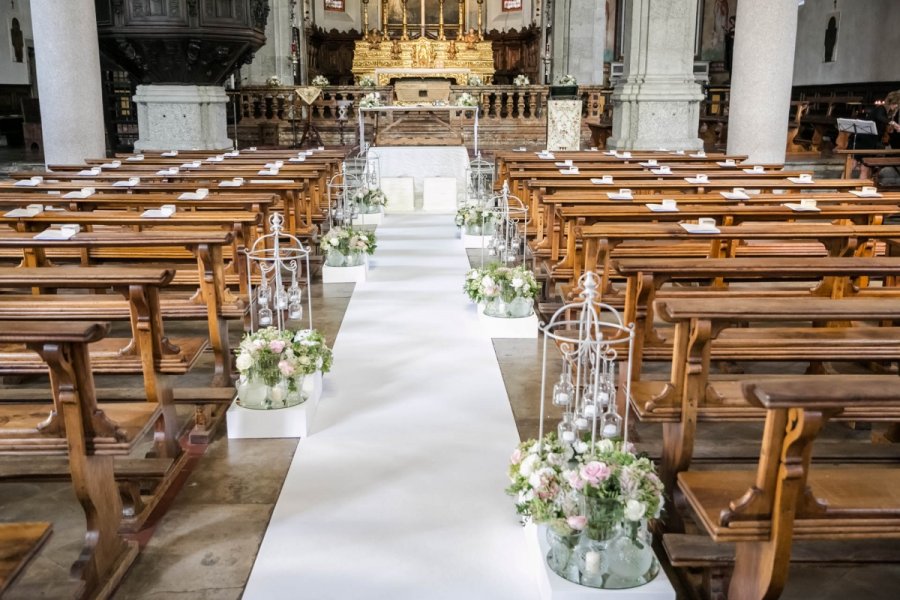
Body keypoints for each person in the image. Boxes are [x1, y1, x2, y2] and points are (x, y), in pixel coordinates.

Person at [850, 92, 900, 179]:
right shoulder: (881, 109)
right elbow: (879, 117)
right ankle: (841, 185)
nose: (896, 107)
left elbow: (881, 126)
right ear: (891, 102)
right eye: (895, 104)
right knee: (853, 164)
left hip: (871, 142)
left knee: (865, 167)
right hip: (863, 140)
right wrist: (893, 123)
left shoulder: (888, 113)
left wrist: (891, 129)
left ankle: (863, 189)